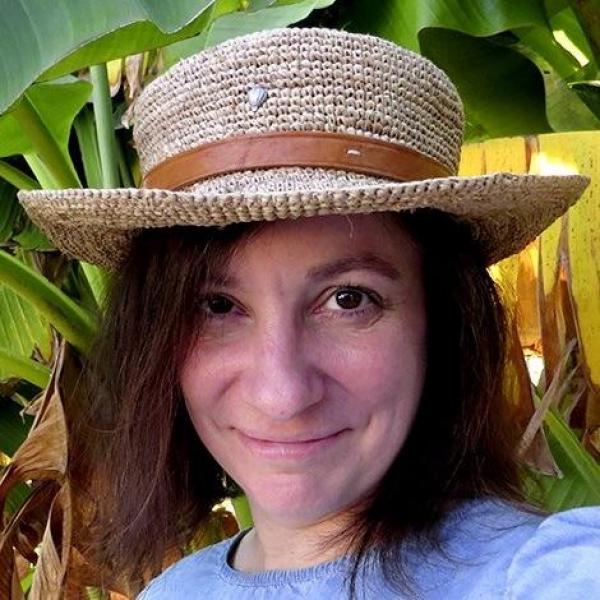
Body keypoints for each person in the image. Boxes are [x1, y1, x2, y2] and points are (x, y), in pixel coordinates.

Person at [18, 26, 599, 600]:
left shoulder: (540, 574)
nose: (283, 396)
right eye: (218, 306)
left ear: (444, 325)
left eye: (349, 299)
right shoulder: (171, 593)